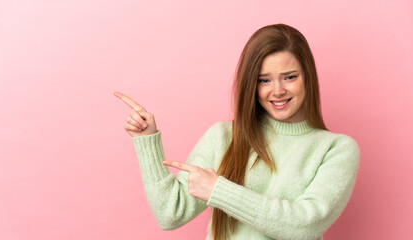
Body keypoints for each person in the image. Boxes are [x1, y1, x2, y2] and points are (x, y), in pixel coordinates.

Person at [114, 23, 360, 240]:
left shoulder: (336, 149)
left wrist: (219, 190)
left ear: (308, 78)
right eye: (264, 80)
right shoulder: (223, 137)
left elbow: (306, 225)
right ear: (251, 85)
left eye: (289, 77)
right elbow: (170, 214)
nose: (277, 91)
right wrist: (147, 142)